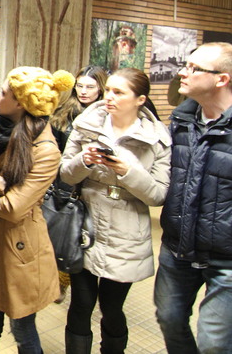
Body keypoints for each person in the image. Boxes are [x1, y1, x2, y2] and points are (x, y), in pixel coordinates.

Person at [0, 66, 74, 353]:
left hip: (18, 251)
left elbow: (13, 209)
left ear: (21, 102)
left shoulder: (45, 150)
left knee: (22, 330)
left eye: (3, 93)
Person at [60, 68, 171, 353]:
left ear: (140, 99)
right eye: (108, 89)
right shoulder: (86, 124)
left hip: (127, 230)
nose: (108, 97)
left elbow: (158, 195)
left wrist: (128, 171)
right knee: (82, 302)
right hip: (85, 225)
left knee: (111, 307)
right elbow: (65, 174)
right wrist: (84, 161)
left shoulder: (157, 138)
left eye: (119, 92)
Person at [154, 42, 232, 354]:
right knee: (169, 320)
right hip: (178, 249)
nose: (181, 73)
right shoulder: (181, 121)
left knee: (214, 343)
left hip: (227, 259)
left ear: (221, 79)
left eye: (193, 68)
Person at [49, 65, 108, 303]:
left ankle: (84, 283)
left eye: (90, 87)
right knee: (65, 234)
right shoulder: (63, 112)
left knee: (91, 238)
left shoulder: (109, 115)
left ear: (101, 88)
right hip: (66, 184)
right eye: (80, 86)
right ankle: (61, 280)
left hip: (97, 187)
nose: (83, 91)